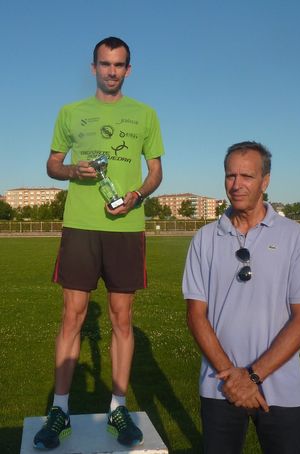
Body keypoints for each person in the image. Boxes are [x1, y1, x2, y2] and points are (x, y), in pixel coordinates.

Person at [33, 36, 164, 450]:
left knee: (121, 319)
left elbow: (156, 172)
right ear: (93, 68)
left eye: (119, 65)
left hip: (126, 228)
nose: (111, 71)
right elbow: (52, 165)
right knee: (72, 316)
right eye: (105, 64)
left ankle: (118, 407)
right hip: (81, 226)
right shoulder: (70, 113)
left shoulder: (146, 115)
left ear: (128, 70)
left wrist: (137, 196)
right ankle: (59, 410)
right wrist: (73, 171)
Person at [182, 141, 300, 454]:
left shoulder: (296, 237)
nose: (237, 184)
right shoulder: (205, 238)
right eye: (230, 175)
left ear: (265, 181)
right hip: (220, 386)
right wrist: (235, 380)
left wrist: (253, 376)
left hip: (281, 387)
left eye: (247, 176)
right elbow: (195, 315)